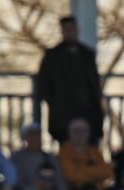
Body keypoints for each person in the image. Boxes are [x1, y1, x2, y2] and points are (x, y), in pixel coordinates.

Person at [36, 15, 103, 144]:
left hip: (87, 112)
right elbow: (43, 85)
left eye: (72, 28)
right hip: (62, 114)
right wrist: (54, 102)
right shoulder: (53, 56)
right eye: (66, 29)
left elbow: (94, 84)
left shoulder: (87, 54)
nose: (70, 32)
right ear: (62, 31)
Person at [58, 119, 114, 190]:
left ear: (89, 133)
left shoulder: (94, 151)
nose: (80, 134)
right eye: (76, 131)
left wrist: (80, 170)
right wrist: (95, 174)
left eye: (83, 131)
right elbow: (71, 175)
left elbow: (106, 172)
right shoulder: (64, 152)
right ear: (69, 133)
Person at [10, 122, 63, 190]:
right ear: (26, 138)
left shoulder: (50, 158)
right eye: (31, 136)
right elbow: (14, 181)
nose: (34, 139)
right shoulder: (17, 158)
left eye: (37, 136)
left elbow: (59, 182)